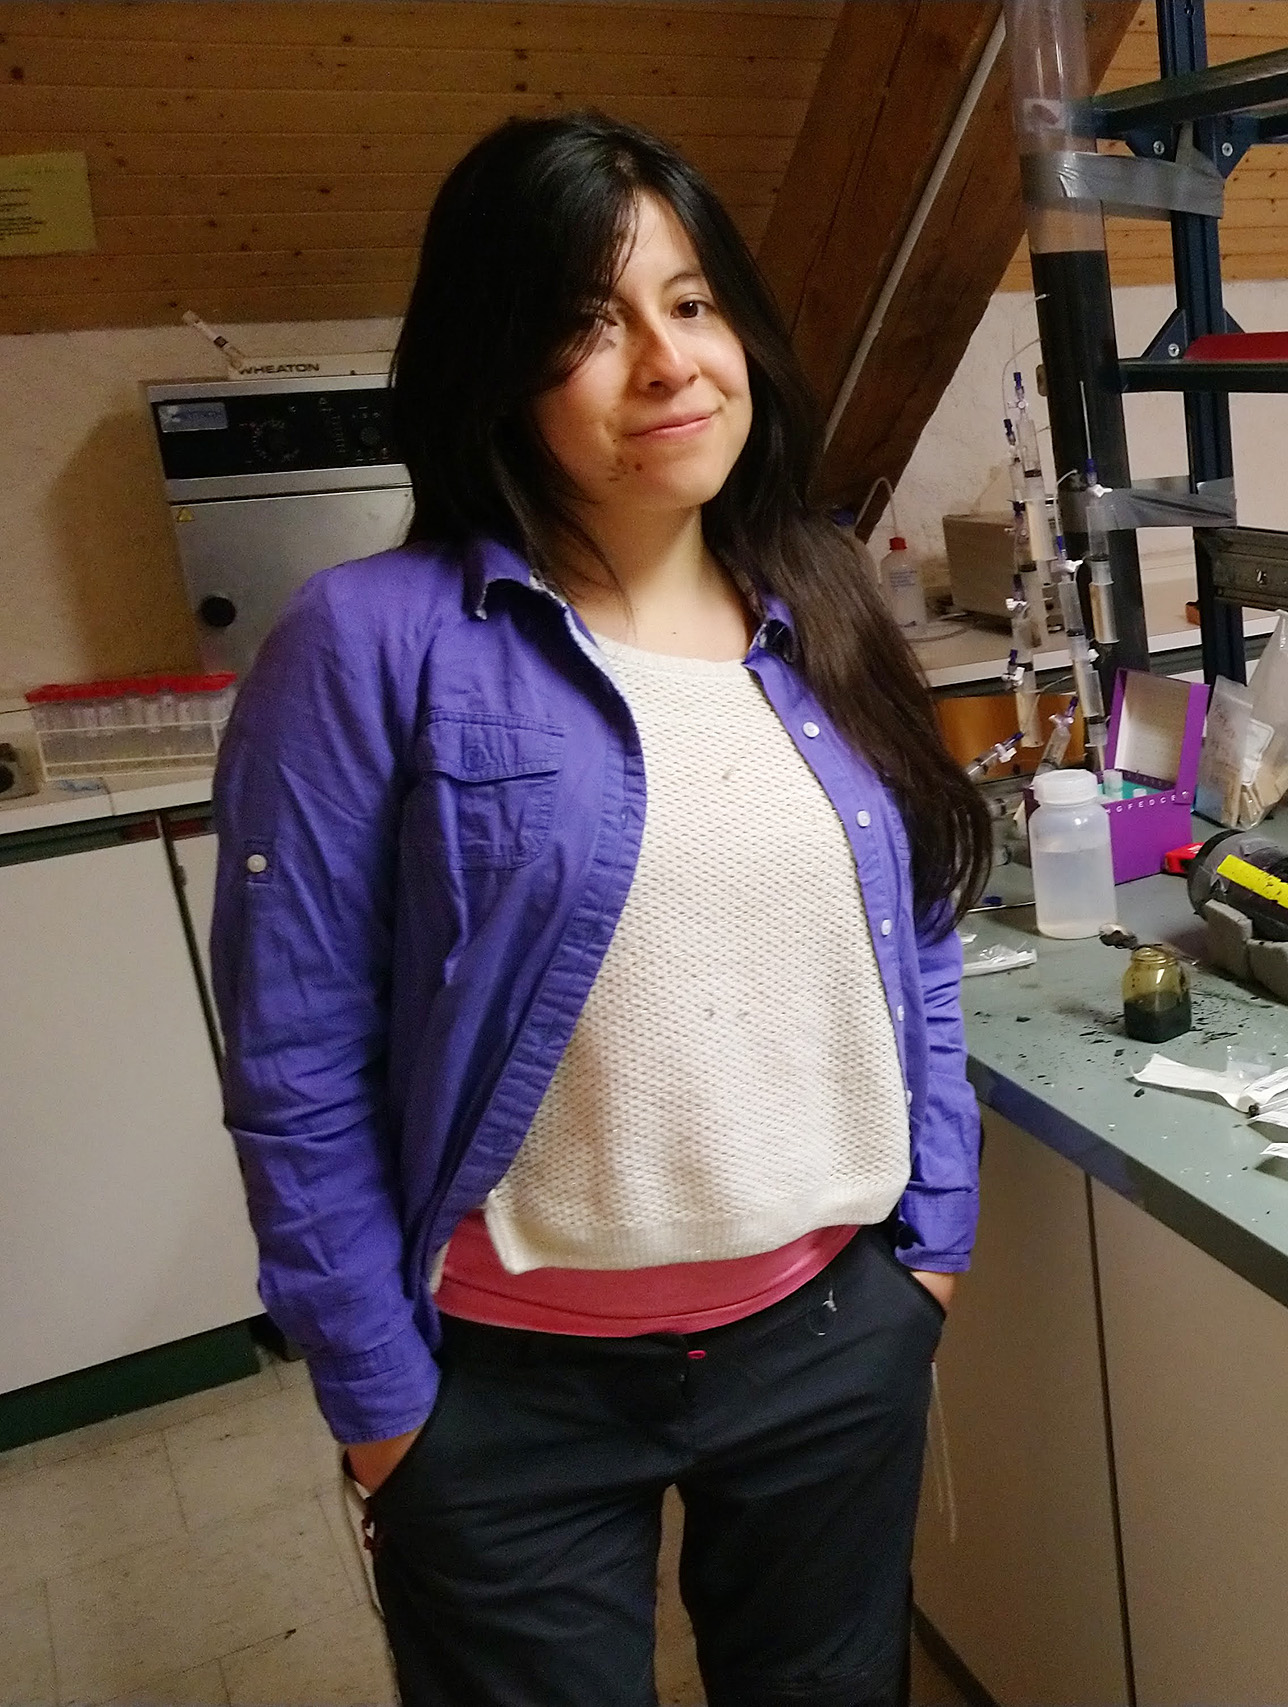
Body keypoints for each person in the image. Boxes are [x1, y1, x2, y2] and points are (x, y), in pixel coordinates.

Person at [210, 110, 990, 1705]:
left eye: (691, 303)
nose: (666, 362)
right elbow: (294, 1059)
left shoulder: (826, 606)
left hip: (833, 1331)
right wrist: (384, 1409)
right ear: (495, 362)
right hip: (508, 1391)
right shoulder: (370, 646)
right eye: (587, 321)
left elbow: (915, 939)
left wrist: (936, 1250)